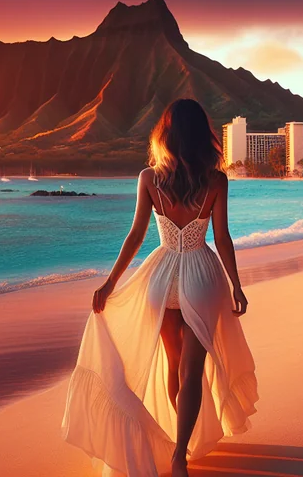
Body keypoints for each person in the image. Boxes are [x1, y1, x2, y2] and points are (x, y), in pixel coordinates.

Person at [62, 99, 258, 477]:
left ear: (165, 135)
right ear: (202, 135)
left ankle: (178, 446)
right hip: (202, 277)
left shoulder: (149, 178)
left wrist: (110, 282)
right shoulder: (216, 181)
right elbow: (222, 237)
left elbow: (136, 235)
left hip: (162, 277)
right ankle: (179, 454)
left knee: (174, 363)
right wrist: (236, 285)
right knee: (191, 370)